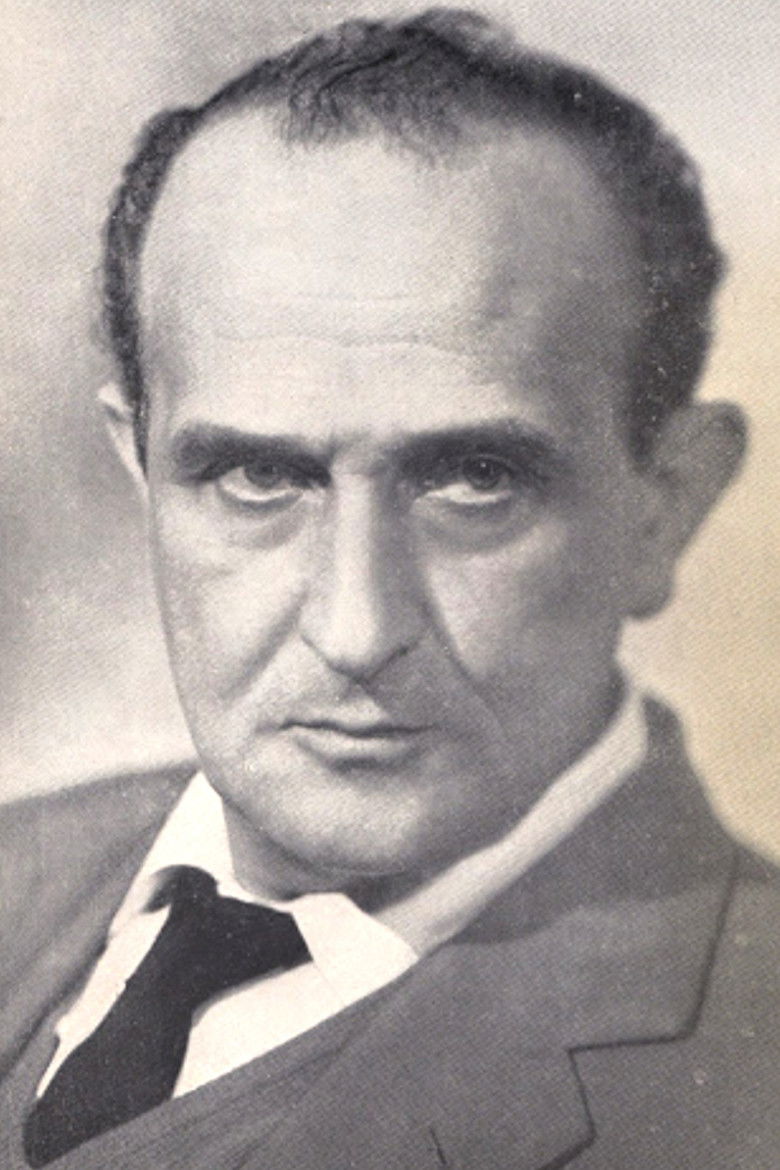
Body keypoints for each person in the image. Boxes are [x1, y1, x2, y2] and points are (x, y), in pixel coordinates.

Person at [2, 8, 778, 1167]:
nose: (356, 628)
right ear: (143, 470)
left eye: (475, 480)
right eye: (259, 476)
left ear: (665, 506)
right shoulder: (21, 861)